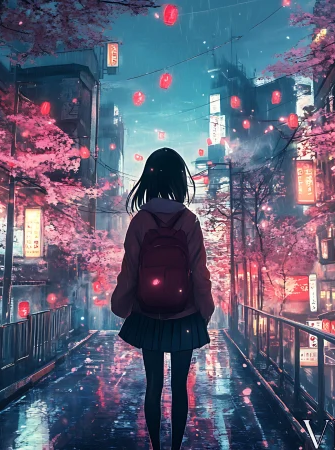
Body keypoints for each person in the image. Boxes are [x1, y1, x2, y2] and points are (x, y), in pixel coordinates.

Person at [111, 148, 215, 450]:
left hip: (148, 315)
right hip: (185, 316)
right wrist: (204, 311)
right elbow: (199, 272)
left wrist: (123, 305)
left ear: (149, 179)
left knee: (153, 385)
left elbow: (129, 270)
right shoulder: (189, 221)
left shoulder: (141, 222)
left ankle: (156, 447)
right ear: (179, 179)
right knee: (180, 387)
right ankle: (175, 448)